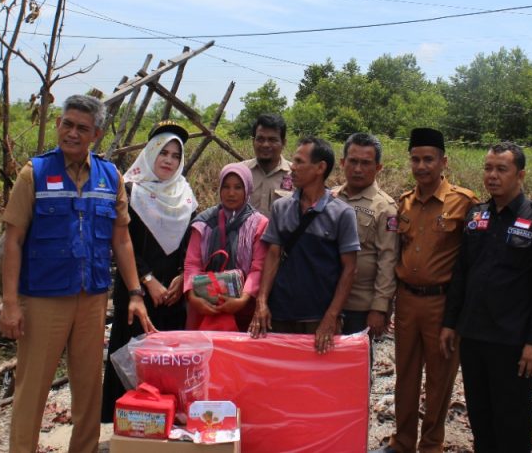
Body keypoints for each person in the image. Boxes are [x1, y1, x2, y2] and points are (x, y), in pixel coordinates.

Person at [0, 95, 154, 453]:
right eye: (66, 124)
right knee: (32, 387)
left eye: (81, 128)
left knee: (88, 388)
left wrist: (135, 293)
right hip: (43, 299)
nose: (72, 133)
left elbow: (122, 238)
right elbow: (13, 242)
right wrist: (10, 304)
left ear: (96, 133)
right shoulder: (33, 174)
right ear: (58, 124)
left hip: (92, 299)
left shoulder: (109, 176)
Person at [440, 141, 532, 453]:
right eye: (488, 168)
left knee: (512, 422)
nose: (492, 175)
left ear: (520, 175)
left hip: (512, 343)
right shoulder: (476, 216)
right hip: (474, 337)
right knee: (480, 418)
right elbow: (462, 274)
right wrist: (451, 323)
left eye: (501, 169)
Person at [383, 128, 477, 453]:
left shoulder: (464, 203)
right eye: (415, 159)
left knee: (439, 379)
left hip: (442, 304)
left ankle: (431, 444)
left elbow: (473, 261)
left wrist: (461, 313)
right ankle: (403, 441)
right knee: (405, 376)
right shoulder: (403, 204)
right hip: (407, 301)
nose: (421, 166)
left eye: (428, 159)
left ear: (443, 162)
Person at [101, 119, 198, 422]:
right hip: (137, 293)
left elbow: (190, 243)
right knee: (131, 359)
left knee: (167, 363)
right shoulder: (130, 191)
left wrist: (182, 276)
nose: (169, 160)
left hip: (172, 295)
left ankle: (166, 423)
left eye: (175, 155)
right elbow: (122, 241)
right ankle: (131, 428)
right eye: (163, 153)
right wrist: (148, 281)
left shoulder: (185, 195)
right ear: (151, 152)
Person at [249, 136, 360, 354]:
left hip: (317, 317)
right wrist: (261, 303)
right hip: (280, 314)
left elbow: (350, 269)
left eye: (299, 161)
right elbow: (272, 256)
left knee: (316, 382)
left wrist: (332, 315)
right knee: (279, 376)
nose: (292, 167)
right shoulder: (281, 207)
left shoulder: (342, 214)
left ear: (320, 168)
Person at [183, 162, 270, 331]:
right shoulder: (204, 223)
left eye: (238, 187)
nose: (231, 193)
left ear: (247, 190)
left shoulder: (259, 224)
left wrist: (243, 299)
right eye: (226, 187)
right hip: (204, 305)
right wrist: (193, 297)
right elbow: (192, 263)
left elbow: (258, 268)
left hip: (245, 308)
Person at [331, 133, 398, 344]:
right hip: (326, 300)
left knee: (356, 369)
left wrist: (379, 308)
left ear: (378, 168)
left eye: (366, 163)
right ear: (342, 163)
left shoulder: (385, 208)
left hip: (360, 307)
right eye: (353, 161)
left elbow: (388, 261)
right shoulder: (329, 198)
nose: (358, 169)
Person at [240, 113, 292, 218]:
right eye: (260, 139)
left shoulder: (297, 175)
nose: (265, 144)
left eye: (272, 140)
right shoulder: (240, 172)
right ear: (253, 141)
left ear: (284, 143)